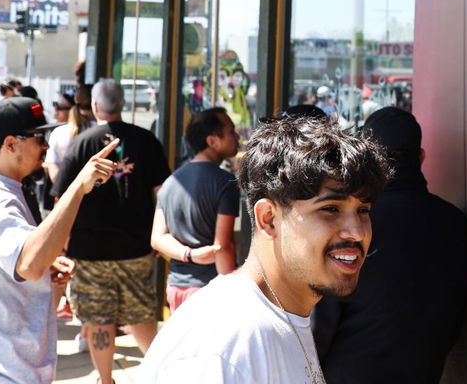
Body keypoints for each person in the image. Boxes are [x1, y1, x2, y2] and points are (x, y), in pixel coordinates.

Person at [138, 115, 391, 384]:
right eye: (330, 209)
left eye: (363, 210)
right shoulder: (224, 344)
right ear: (268, 218)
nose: (357, 231)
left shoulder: (283, 315)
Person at [0, 97, 119, 384]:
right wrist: (78, 187)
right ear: (10, 145)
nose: (46, 145)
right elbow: (29, 264)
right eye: (38, 137)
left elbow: (15, 264)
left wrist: (45, 266)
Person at [313, 106, 467, 384]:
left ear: (365, 160)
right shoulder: (459, 225)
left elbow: (321, 325)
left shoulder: (354, 224)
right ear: (421, 157)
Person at [53, 79, 170, 383]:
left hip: (89, 249)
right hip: (136, 246)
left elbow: (62, 198)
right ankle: (165, 372)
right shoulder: (146, 141)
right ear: (122, 103)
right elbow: (163, 193)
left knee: (99, 319)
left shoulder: (81, 142)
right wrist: (160, 235)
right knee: (141, 314)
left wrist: (62, 243)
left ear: (95, 106)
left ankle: (105, 380)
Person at [150, 108, 240, 312]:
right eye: (231, 131)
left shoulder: (171, 182)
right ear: (212, 141)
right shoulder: (225, 182)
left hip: (176, 287)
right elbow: (223, 245)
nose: (237, 136)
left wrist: (188, 254)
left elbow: (157, 238)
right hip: (210, 288)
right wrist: (232, 290)